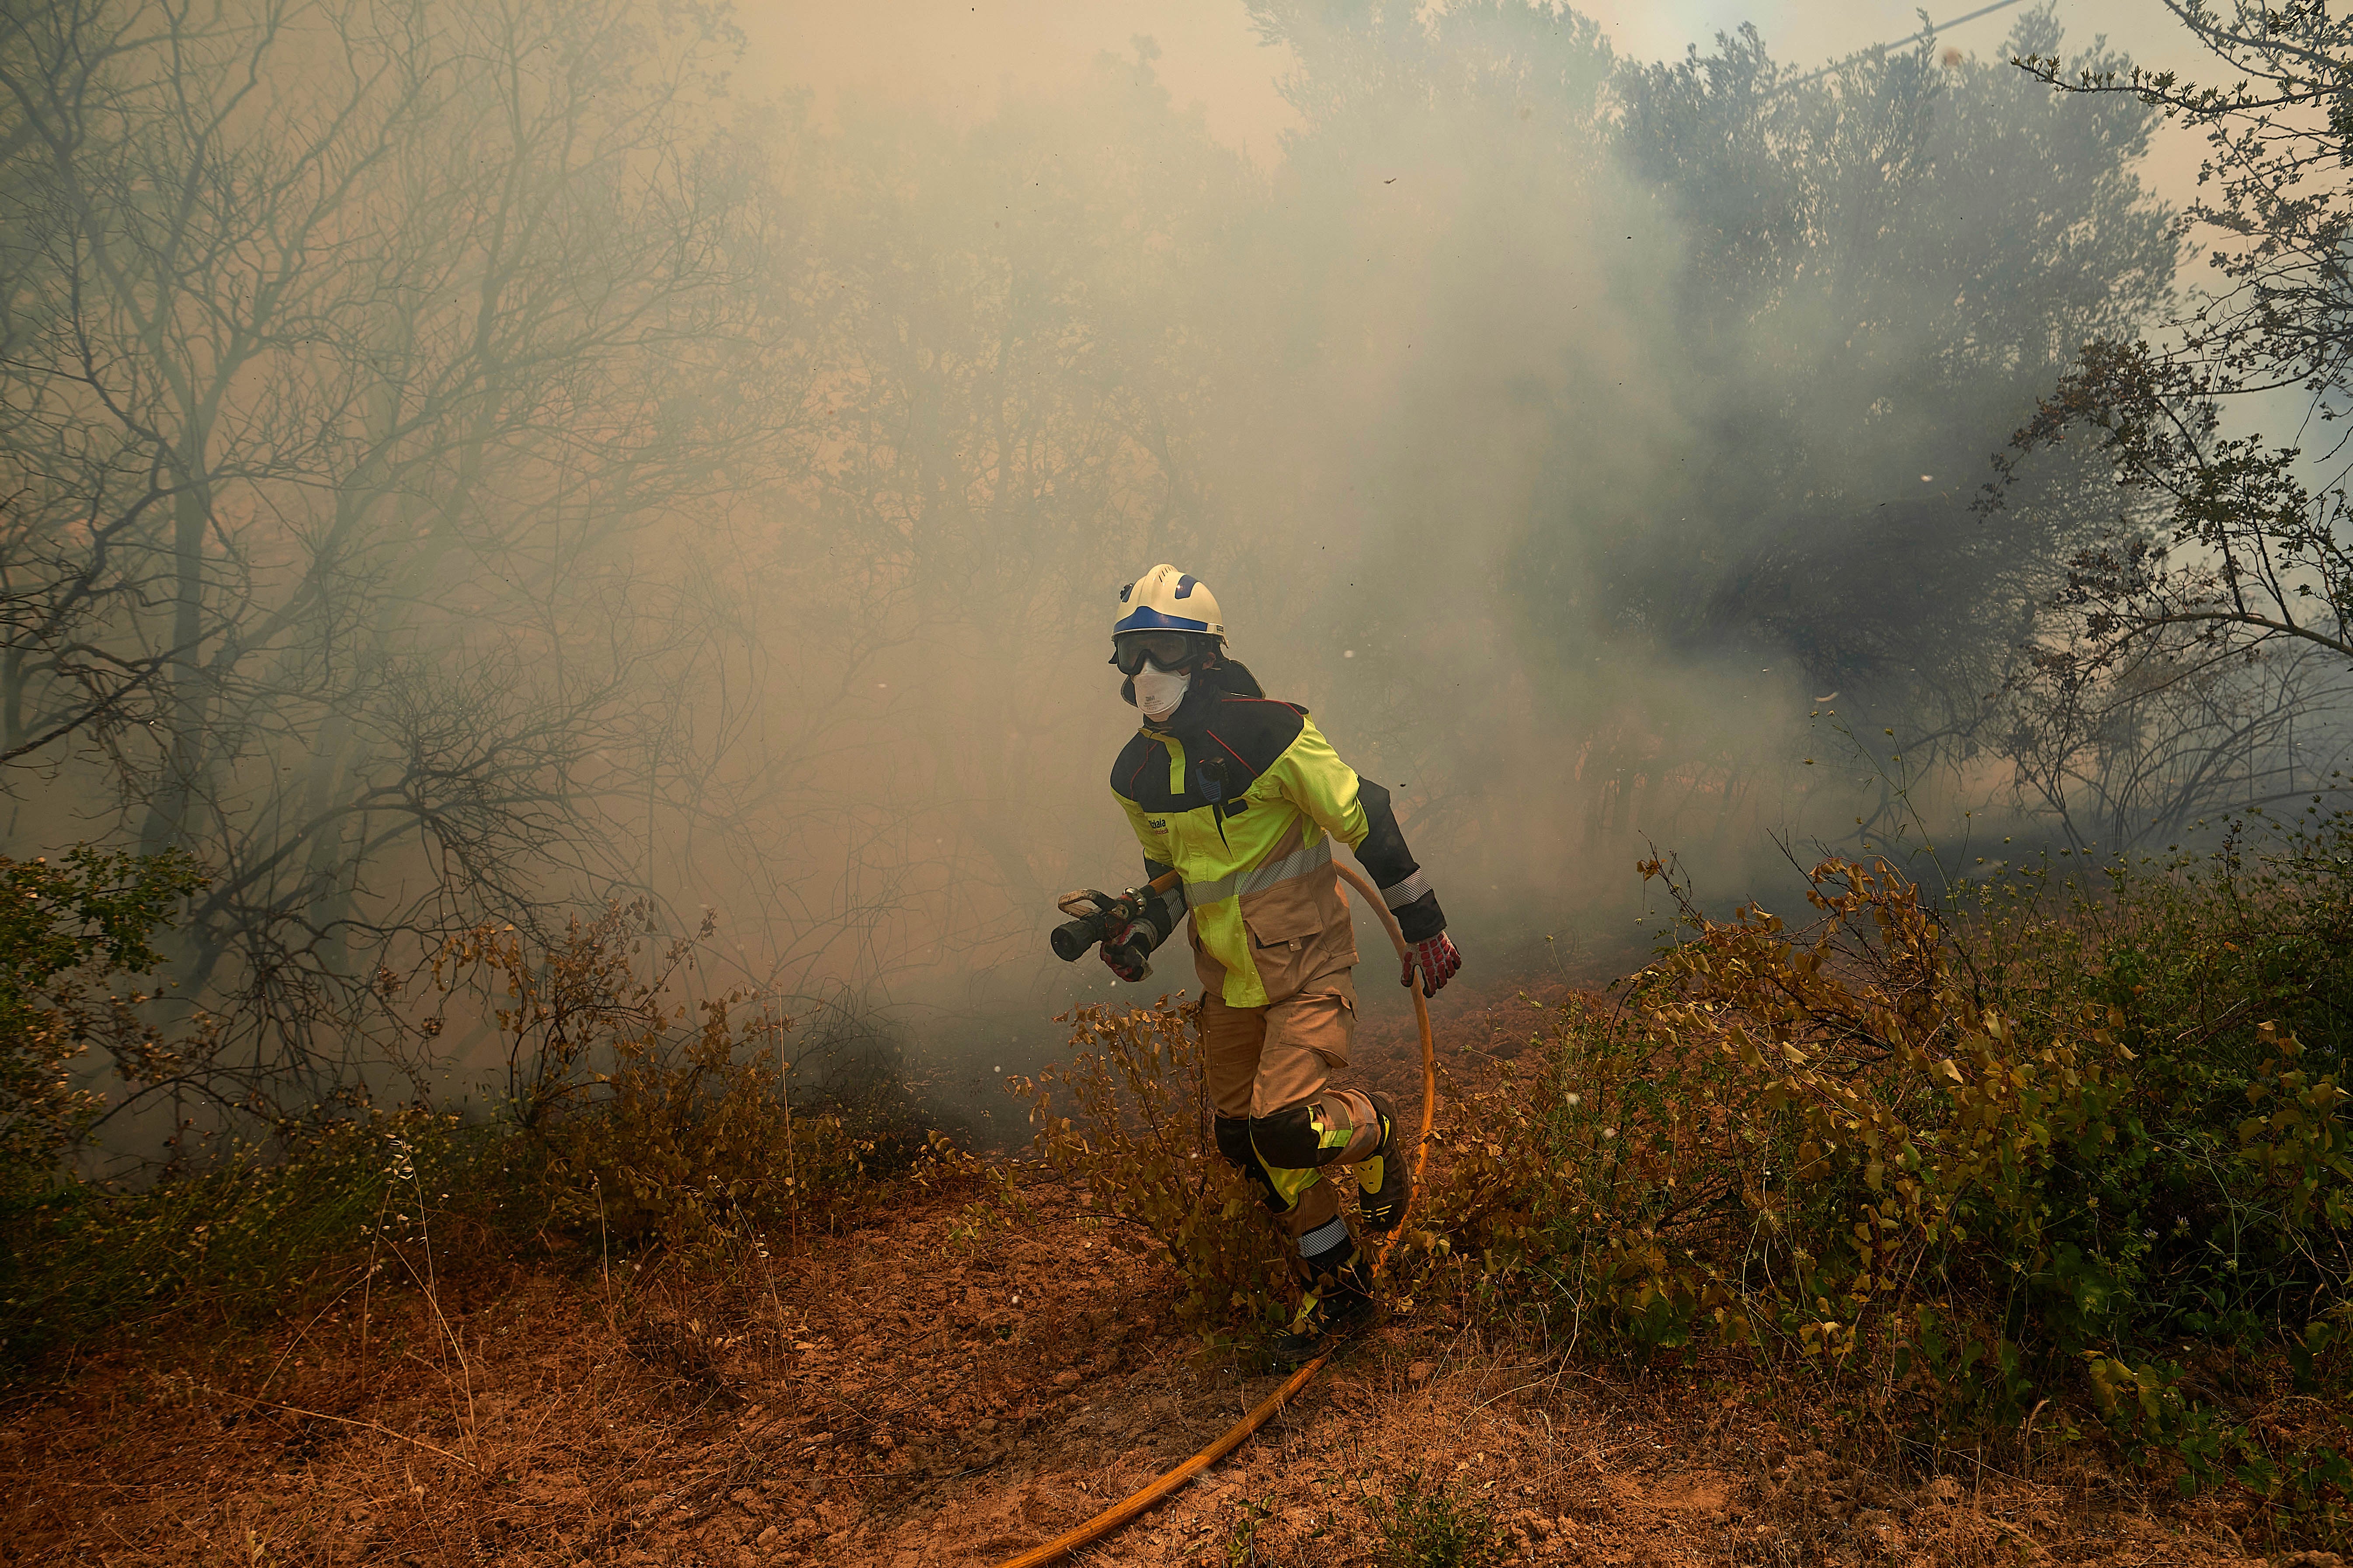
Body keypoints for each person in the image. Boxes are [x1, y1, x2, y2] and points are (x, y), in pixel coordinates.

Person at [1096, 562, 1461, 1361]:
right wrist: (1138, 930)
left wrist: (1423, 924)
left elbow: (1365, 813)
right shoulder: (1135, 773)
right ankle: (1339, 1286)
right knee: (1242, 1143)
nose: (1147, 671)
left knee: (1285, 1129)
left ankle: (1374, 1128)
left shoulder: (1272, 733)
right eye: (1132, 652)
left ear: (1207, 656)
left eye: (1165, 650)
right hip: (1229, 983)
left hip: (1307, 969)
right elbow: (1174, 879)